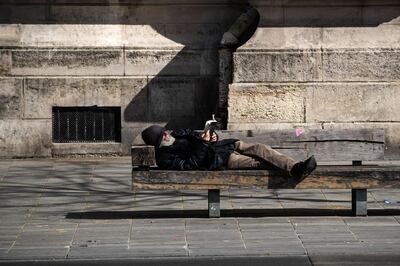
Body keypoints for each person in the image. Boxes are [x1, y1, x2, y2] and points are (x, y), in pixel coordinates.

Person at [141, 125, 317, 181]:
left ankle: (295, 167)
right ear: (158, 143)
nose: (167, 133)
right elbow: (191, 165)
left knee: (260, 148)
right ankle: (295, 170)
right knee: (259, 163)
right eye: (162, 135)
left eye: (165, 131)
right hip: (221, 160)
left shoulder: (177, 133)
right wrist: (204, 143)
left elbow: (198, 136)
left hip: (226, 146)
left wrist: (211, 136)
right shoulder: (165, 158)